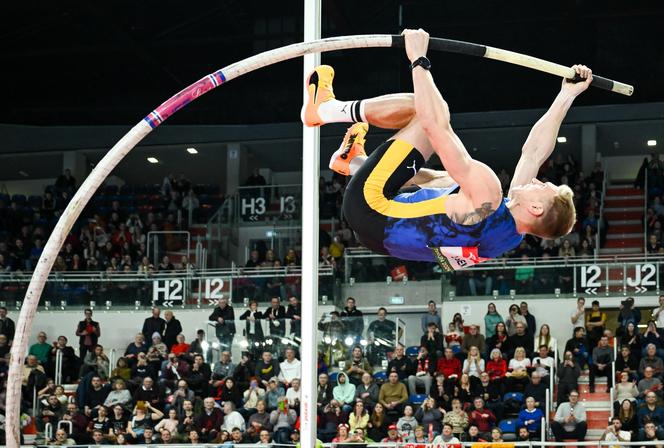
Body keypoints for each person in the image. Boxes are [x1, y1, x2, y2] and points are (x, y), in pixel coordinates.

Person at [304, 30, 588, 270]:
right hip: (377, 237)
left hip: (369, 206)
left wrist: (418, 58)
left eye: (543, 186)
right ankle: (353, 163)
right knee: (453, 185)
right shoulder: (509, 235)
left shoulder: (487, 194)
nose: (537, 180)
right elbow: (534, 153)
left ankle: (325, 109)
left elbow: (434, 126)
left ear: (535, 208)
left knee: (423, 110)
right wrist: (566, 95)